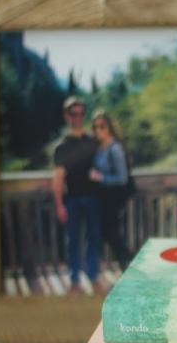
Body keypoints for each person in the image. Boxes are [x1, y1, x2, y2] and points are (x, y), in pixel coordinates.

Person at [52, 96, 103, 295]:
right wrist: (59, 205)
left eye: (81, 113)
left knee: (93, 238)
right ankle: (74, 279)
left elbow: (104, 167)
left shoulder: (92, 142)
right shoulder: (61, 146)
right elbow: (57, 178)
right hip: (71, 199)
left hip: (93, 198)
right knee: (73, 241)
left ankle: (93, 276)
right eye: (74, 113)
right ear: (67, 116)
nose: (78, 117)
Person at [89, 110, 135, 273]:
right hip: (104, 199)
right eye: (95, 127)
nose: (98, 130)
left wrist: (101, 177)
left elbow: (122, 178)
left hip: (113, 199)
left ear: (109, 127)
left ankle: (130, 266)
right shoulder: (100, 147)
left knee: (112, 234)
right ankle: (128, 266)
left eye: (102, 126)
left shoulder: (115, 148)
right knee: (109, 234)